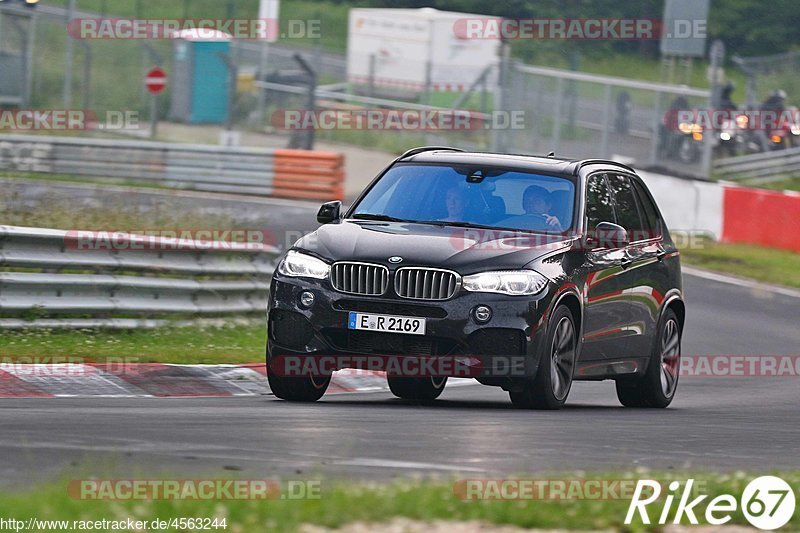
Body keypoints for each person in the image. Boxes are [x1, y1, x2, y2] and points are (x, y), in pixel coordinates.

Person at [498, 185, 562, 232]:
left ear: (548, 205)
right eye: (527, 201)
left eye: (537, 201)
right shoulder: (512, 222)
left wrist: (558, 228)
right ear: (523, 204)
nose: (531, 204)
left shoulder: (556, 225)